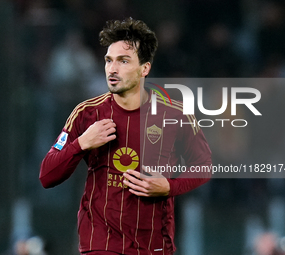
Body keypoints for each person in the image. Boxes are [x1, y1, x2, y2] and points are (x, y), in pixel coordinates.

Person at [40, 17, 212, 255]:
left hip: (154, 245)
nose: (112, 68)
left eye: (123, 61)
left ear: (145, 69)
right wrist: (82, 143)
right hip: (101, 243)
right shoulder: (86, 113)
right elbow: (47, 175)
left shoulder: (176, 114)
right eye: (109, 60)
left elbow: (203, 166)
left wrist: (169, 186)